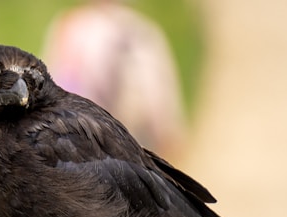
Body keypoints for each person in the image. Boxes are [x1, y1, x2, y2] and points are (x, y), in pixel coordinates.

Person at [42, 0, 188, 160]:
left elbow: (51, 81)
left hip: (81, 136)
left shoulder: (69, 26)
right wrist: (166, 129)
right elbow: (156, 90)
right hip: (125, 139)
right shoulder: (141, 30)